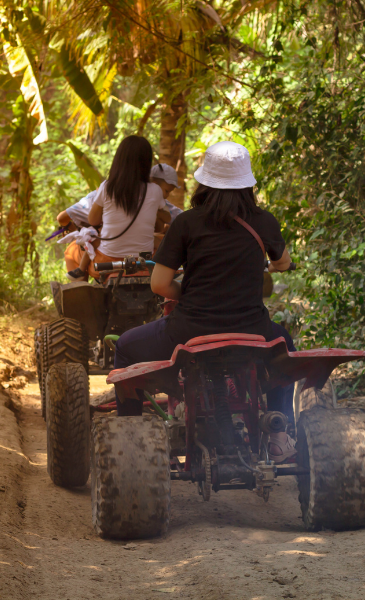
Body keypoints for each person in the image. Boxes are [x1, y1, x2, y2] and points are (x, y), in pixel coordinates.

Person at [113, 141, 297, 457]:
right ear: (247, 183)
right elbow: (282, 263)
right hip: (253, 331)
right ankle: (281, 432)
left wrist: (188, 293)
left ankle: (130, 443)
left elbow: (159, 285)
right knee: (286, 351)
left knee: (125, 347)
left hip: (189, 331)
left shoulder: (186, 222)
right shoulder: (264, 221)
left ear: (204, 181)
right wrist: (275, 262)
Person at [85, 135, 168, 278]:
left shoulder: (107, 187)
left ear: (119, 160)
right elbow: (166, 219)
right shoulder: (155, 190)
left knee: (73, 251)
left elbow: (92, 220)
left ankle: (81, 286)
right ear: (146, 163)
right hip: (143, 263)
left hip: (107, 262)